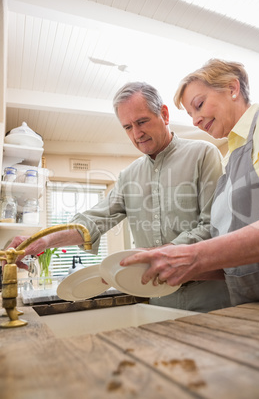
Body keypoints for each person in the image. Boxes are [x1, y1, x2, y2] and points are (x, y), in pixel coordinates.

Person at [8, 81, 231, 312]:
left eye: (142, 121)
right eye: (127, 127)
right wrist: (43, 240)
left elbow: (212, 227)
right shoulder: (129, 175)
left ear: (164, 114)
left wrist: (155, 254)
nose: (136, 134)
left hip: (208, 298)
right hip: (157, 301)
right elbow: (92, 222)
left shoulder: (203, 154)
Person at [120, 60, 259, 307]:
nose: (195, 121)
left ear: (233, 88)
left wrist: (195, 255)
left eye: (199, 105)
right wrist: (166, 266)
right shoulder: (230, 159)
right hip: (250, 308)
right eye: (190, 114)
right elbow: (240, 263)